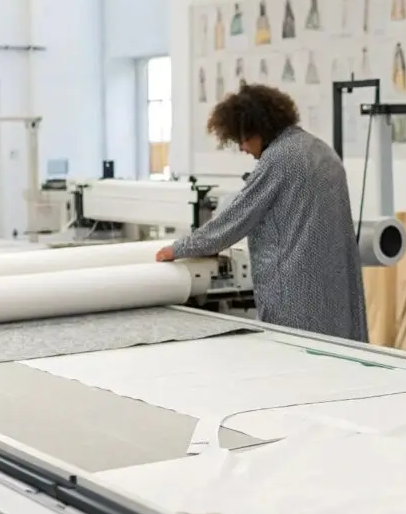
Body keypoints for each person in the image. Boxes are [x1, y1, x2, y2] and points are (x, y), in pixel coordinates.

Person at [156, 82, 368, 342]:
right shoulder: (323, 151)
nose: (243, 148)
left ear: (259, 128)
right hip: (336, 293)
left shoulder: (278, 159)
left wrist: (180, 249)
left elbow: (234, 221)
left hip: (296, 297)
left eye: (242, 139)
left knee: (296, 362)